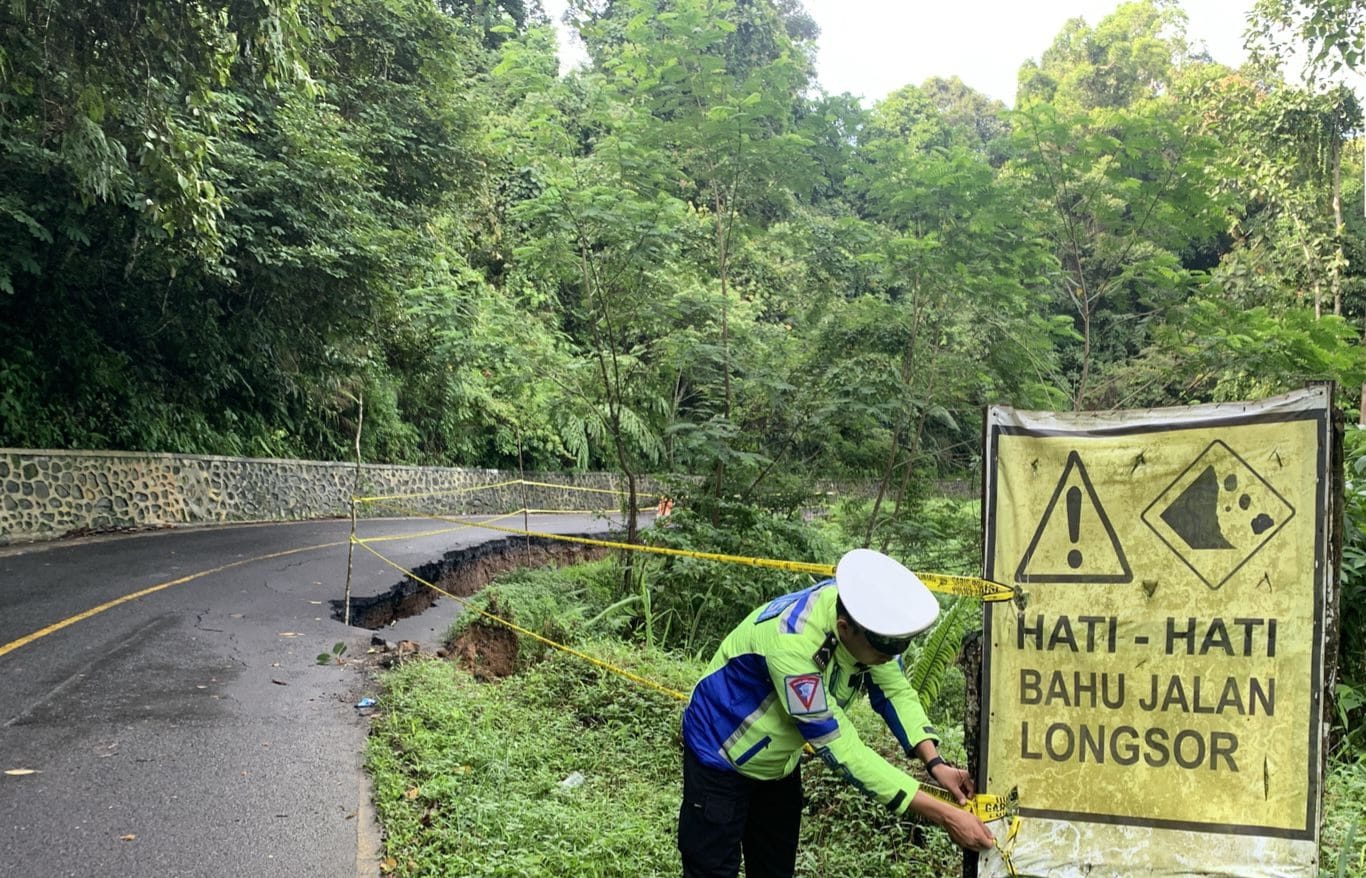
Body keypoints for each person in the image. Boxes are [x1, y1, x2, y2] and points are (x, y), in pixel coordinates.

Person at [677, 548, 996, 877]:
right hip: (720, 754)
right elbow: (843, 748)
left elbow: (895, 690)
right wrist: (944, 814)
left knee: (774, 868)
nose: (889, 661)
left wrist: (935, 763)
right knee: (712, 869)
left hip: (778, 764)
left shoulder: (866, 620)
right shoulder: (793, 646)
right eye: (882, 654)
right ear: (844, 629)